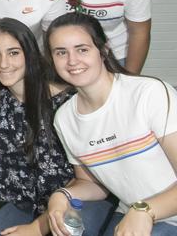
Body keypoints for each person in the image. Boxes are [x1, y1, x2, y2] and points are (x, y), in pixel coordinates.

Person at [45, 12, 177, 236]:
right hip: (131, 215)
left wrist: (145, 210)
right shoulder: (64, 118)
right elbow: (93, 184)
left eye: (82, 49)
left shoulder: (149, 93)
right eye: (61, 52)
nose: (72, 60)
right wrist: (62, 195)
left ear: (103, 51)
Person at [0, 18, 113, 236]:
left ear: (30, 54)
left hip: (78, 199)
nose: (3, 63)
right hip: (21, 204)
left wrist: (39, 227)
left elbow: (94, 181)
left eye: (13, 53)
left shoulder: (68, 103)